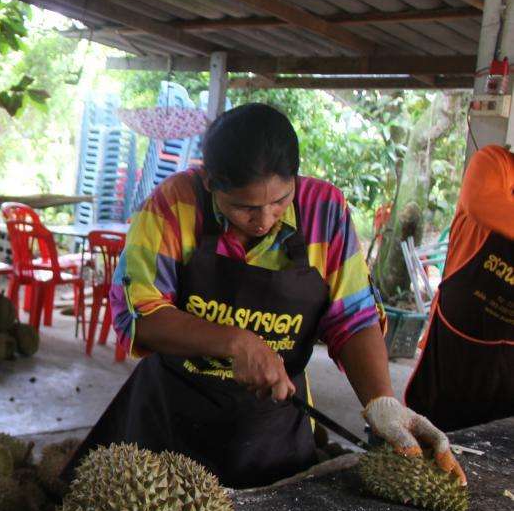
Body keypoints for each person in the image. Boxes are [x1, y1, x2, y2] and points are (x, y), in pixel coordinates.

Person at [66, 103, 465, 489]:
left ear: (295, 178)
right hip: (171, 422)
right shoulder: (174, 204)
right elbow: (139, 314)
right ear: (209, 182)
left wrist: (382, 402)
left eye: (280, 201)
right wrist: (236, 342)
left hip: (273, 427)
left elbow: (353, 317)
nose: (264, 220)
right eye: (244, 207)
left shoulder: (326, 211)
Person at [405, 144, 514, 429]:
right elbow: (482, 201)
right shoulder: (494, 164)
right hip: (453, 351)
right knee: (432, 443)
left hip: (507, 364)